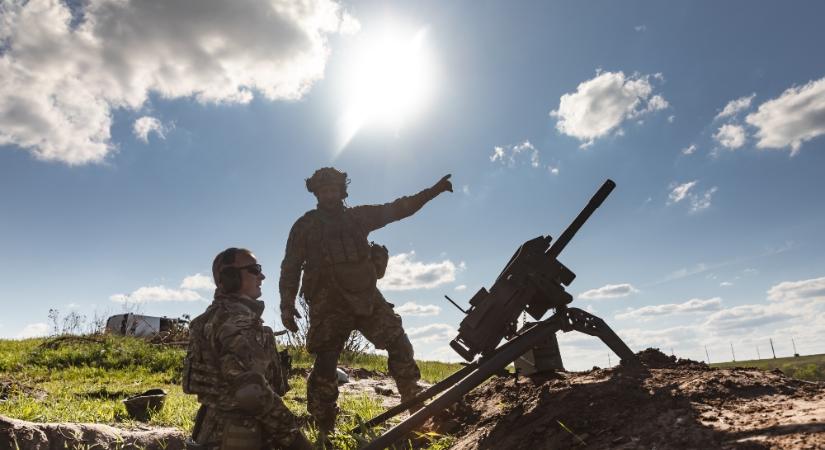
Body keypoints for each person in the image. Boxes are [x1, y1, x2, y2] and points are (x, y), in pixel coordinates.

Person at [279, 167, 453, 438]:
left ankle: (415, 406)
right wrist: (286, 305)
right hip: (328, 302)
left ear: (341, 190)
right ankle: (324, 425)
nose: (328, 194)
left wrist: (433, 191)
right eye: (323, 190)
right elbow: (290, 266)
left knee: (398, 342)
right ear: (315, 193)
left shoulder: (358, 217)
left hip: (366, 297)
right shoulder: (305, 226)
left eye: (333, 189)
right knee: (325, 362)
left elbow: (398, 208)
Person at [183, 248, 312, 450]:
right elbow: (251, 392)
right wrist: (297, 440)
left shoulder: (211, 318)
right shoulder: (238, 321)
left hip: (211, 433)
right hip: (240, 437)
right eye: (254, 269)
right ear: (231, 277)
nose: (262, 275)